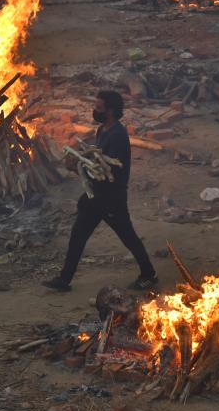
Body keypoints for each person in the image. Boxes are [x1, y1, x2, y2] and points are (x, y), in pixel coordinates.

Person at [43, 91, 158, 293]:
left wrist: (82, 164)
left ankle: (148, 274)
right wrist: (78, 165)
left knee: (127, 235)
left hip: (112, 196)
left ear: (111, 111)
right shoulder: (102, 131)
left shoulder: (118, 135)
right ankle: (64, 279)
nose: (95, 111)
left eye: (99, 107)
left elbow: (108, 168)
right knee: (78, 234)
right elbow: (96, 162)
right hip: (97, 196)